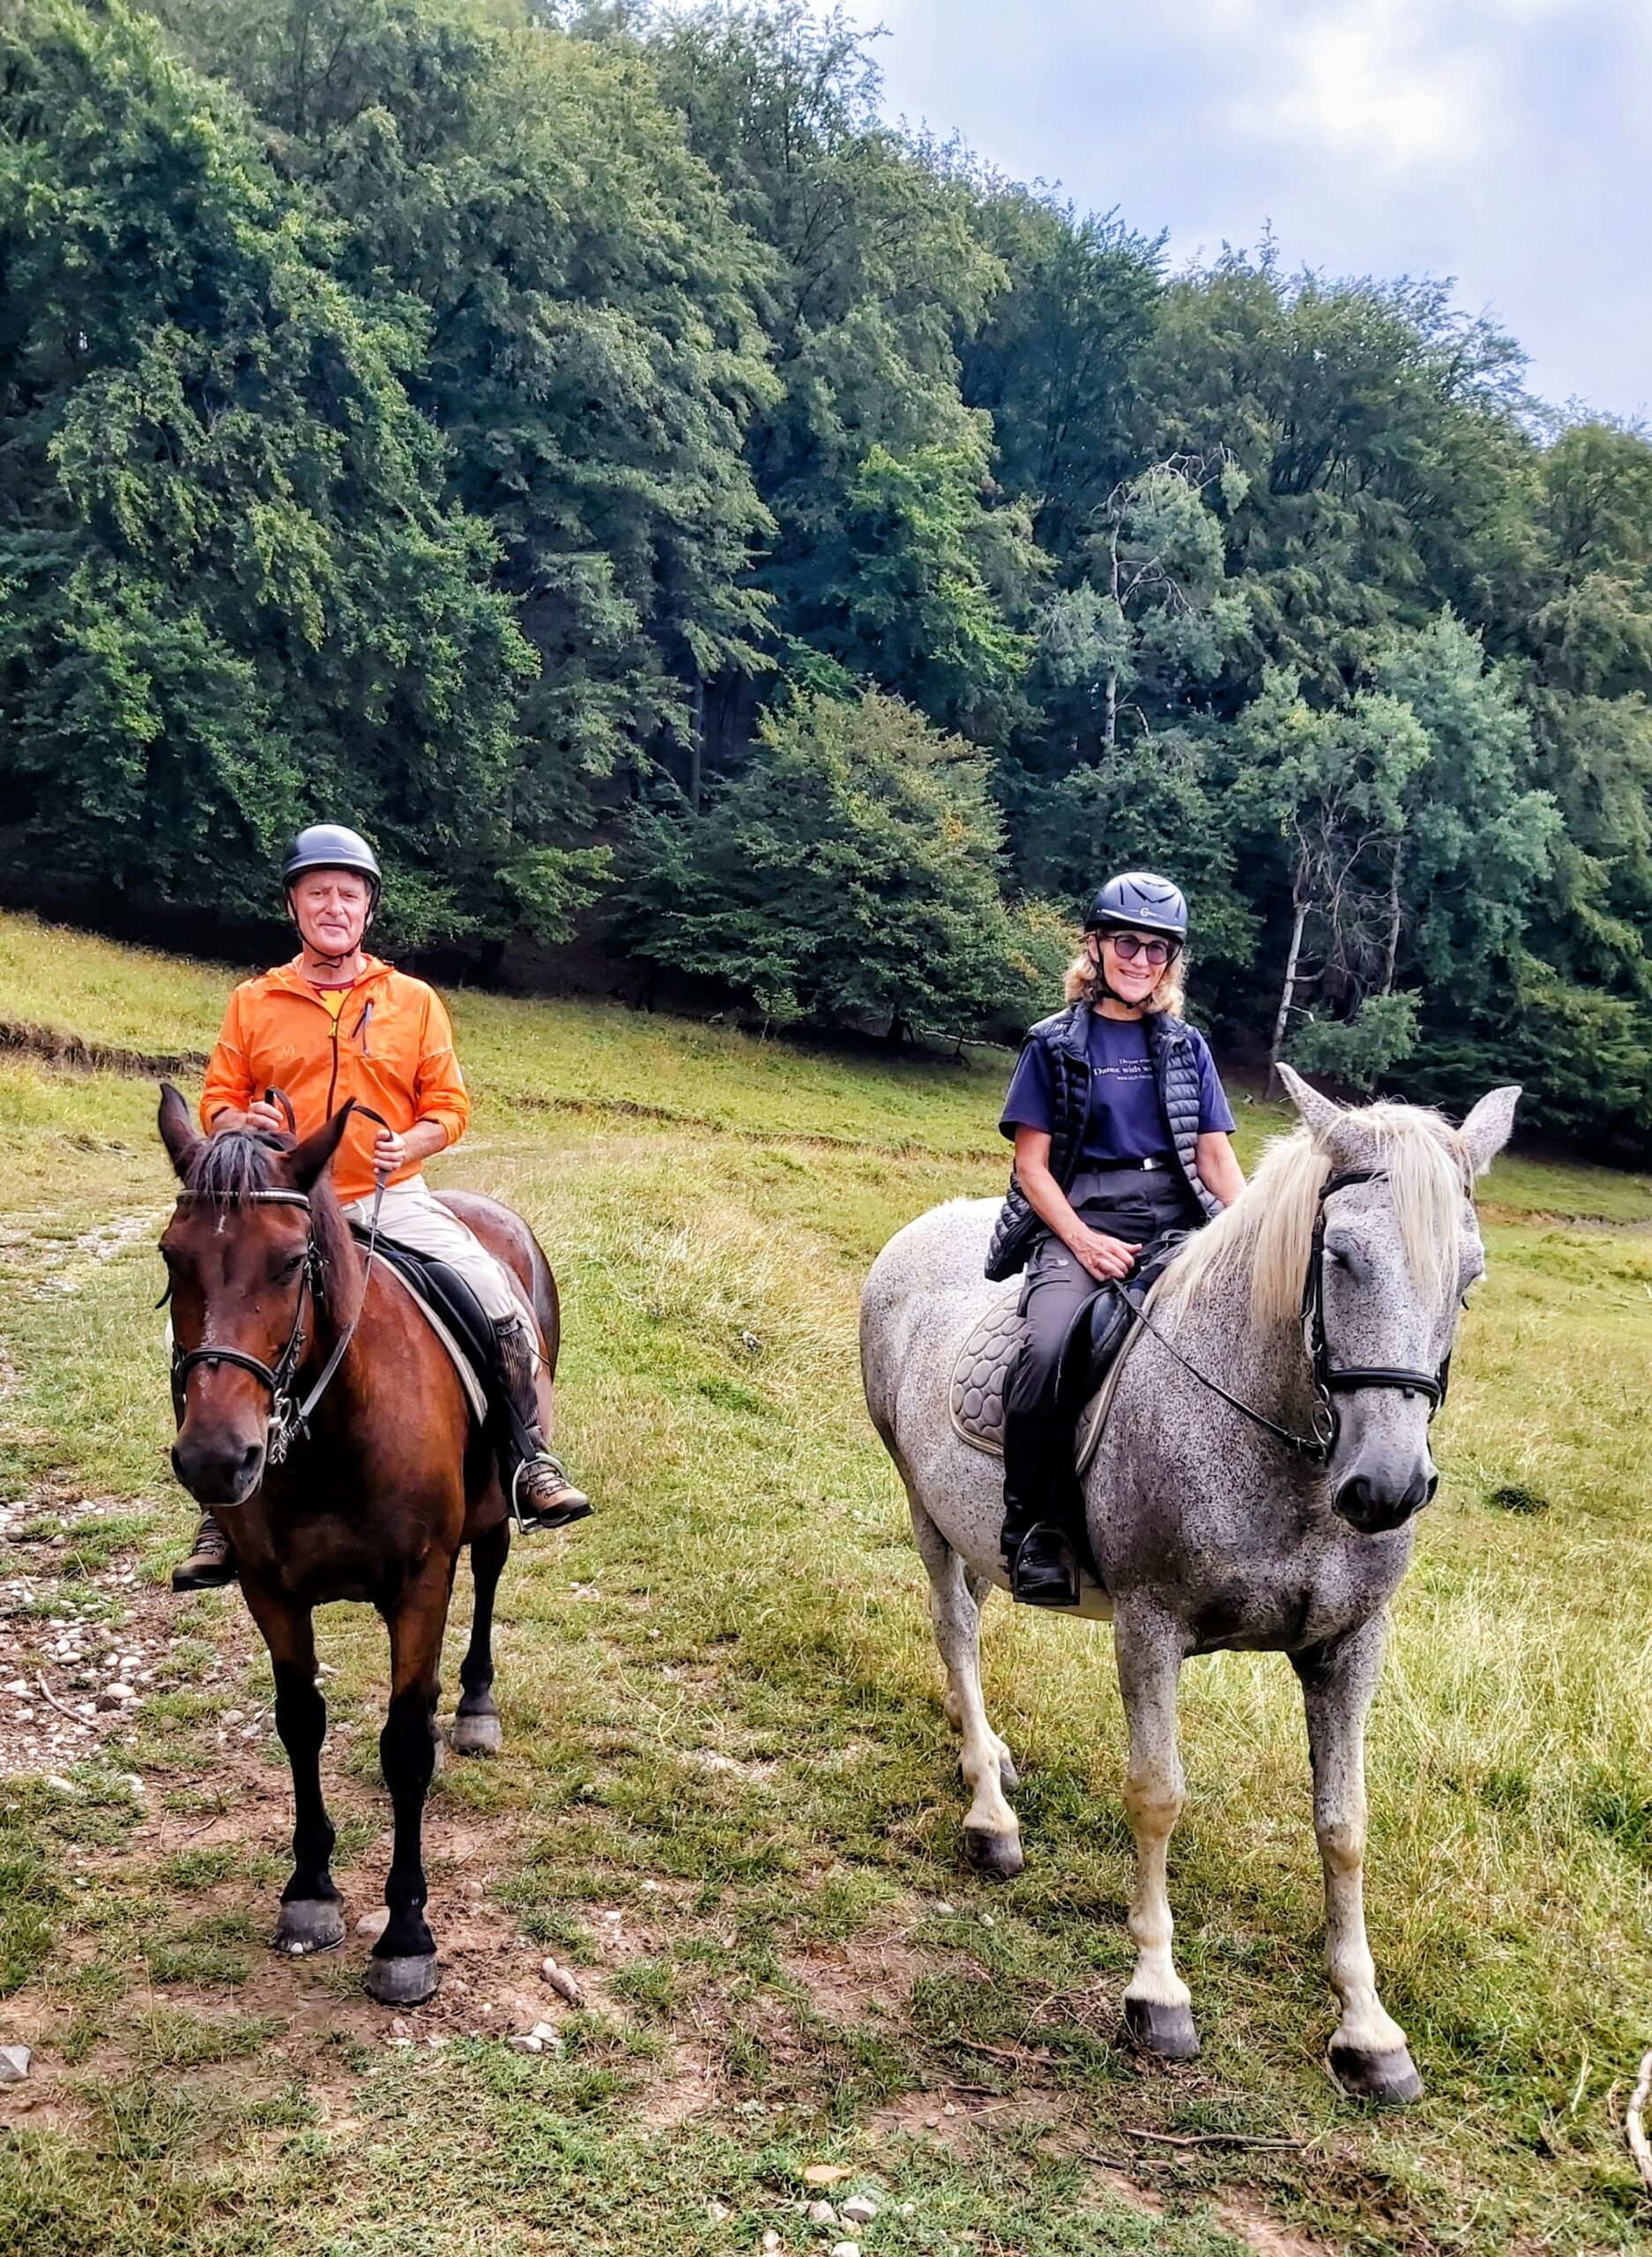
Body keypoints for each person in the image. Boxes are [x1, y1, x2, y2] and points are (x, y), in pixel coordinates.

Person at [171, 823, 589, 1592]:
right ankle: (221, 1508)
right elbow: (217, 1105)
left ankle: (528, 1455)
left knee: (493, 1295)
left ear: (368, 910)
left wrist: (413, 1143)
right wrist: (241, 1125)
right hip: (284, 1209)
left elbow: (451, 1107)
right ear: (294, 905)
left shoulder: (413, 1002)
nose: (334, 906)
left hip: (385, 1197)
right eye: (318, 892)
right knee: (215, 1322)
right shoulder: (254, 1001)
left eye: (349, 895)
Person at [985, 872, 1246, 1609]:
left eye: (1157, 948)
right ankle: (1034, 1528)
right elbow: (1031, 1168)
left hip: (1177, 1219)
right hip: (1081, 1214)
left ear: (1171, 962)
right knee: (1043, 1351)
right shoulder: (1054, 1044)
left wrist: (1259, 1231)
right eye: (1126, 941)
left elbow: (1215, 1158)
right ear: (1095, 945)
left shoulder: (1186, 1045)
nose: (1140, 958)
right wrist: (1082, 1240)